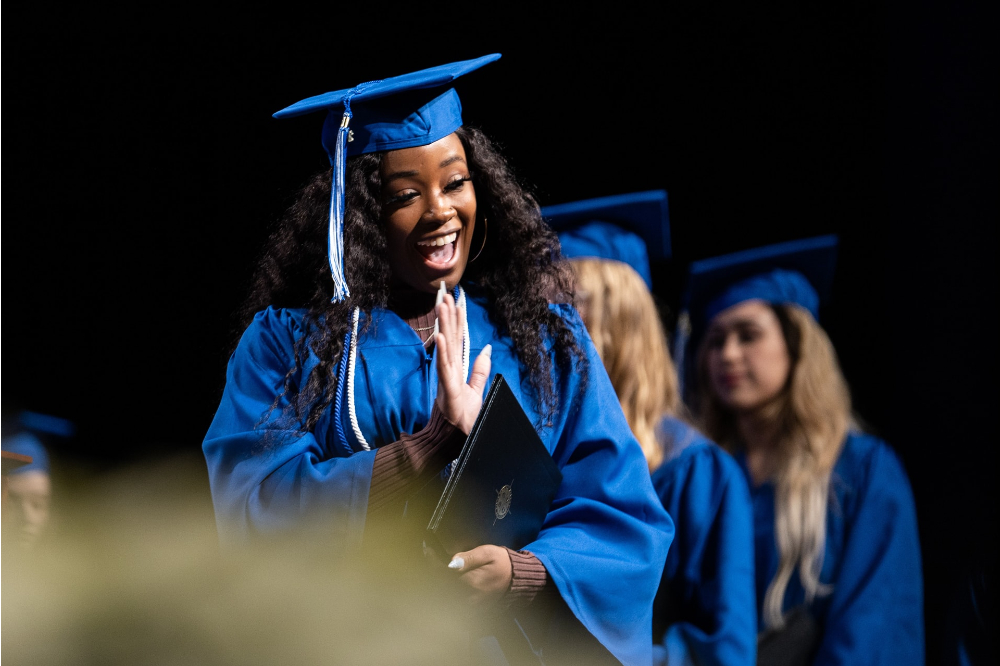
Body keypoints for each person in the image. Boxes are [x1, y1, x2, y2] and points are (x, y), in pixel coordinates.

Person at [202, 55, 673, 665]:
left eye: (455, 182)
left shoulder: (544, 336)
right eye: (405, 194)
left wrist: (522, 572)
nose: (439, 210)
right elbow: (250, 511)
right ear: (363, 216)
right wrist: (427, 447)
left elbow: (622, 512)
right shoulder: (287, 348)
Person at [679, 235, 924, 665]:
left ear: (796, 346)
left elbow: (873, 628)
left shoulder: (860, 470)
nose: (728, 354)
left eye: (748, 335)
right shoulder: (703, 475)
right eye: (715, 340)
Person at [546, 192, 756, 666]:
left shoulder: (696, 470)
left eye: (573, 307)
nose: (552, 327)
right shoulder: (544, 452)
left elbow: (723, 647)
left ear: (623, 322)